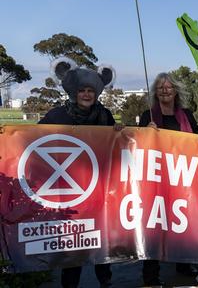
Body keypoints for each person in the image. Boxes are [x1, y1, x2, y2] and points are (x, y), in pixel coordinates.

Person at [39, 57, 116, 288]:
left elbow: (115, 144)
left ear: (97, 93)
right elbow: (34, 141)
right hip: (69, 191)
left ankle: (106, 281)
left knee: (101, 239)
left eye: (90, 91)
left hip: (100, 189)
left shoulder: (105, 116)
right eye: (81, 90)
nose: (86, 94)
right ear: (73, 91)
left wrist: (119, 132)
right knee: (74, 240)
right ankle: (69, 284)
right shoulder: (55, 116)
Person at [138, 72, 198, 285]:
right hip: (156, 180)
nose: (165, 90)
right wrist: (146, 132)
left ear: (176, 91)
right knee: (155, 227)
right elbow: (138, 144)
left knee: (183, 224)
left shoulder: (187, 115)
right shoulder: (149, 116)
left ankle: (183, 265)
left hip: (182, 178)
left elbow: (197, 141)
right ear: (156, 92)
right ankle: (151, 276)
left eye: (169, 87)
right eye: (161, 87)